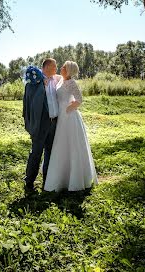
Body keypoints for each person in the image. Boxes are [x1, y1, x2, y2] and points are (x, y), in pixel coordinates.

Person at [43, 60, 98, 192]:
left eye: (63, 67)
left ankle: (74, 178)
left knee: (72, 146)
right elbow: (47, 76)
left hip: (69, 117)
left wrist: (70, 107)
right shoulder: (59, 79)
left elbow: (80, 99)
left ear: (68, 70)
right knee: (61, 145)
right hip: (60, 117)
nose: (61, 67)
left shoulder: (71, 83)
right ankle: (61, 177)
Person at [23, 58, 61, 192]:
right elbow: (28, 104)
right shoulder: (35, 81)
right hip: (40, 124)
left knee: (50, 153)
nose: (56, 69)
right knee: (36, 153)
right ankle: (29, 182)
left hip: (54, 123)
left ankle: (47, 182)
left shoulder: (56, 81)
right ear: (47, 67)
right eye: (54, 66)